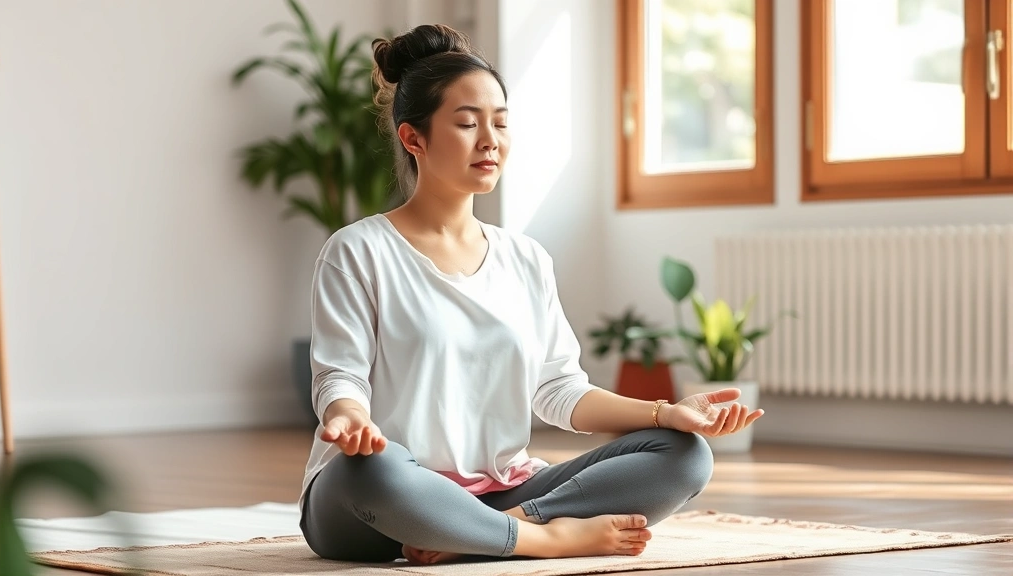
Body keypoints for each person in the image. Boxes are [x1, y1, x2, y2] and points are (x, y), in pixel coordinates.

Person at [298, 24, 763, 566]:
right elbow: (340, 374)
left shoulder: (526, 259)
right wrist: (349, 414)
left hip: (505, 491)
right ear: (413, 138)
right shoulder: (357, 250)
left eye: (500, 123)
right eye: (468, 124)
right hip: (380, 502)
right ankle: (539, 539)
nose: (490, 140)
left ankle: (494, 530)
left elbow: (560, 391)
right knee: (372, 469)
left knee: (684, 457)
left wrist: (667, 414)